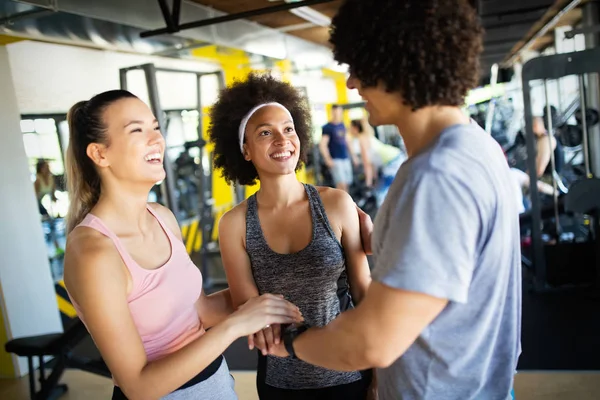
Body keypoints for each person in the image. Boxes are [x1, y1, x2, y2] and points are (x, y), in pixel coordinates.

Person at [268, 1, 522, 399]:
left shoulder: (436, 176)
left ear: (396, 63)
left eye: (359, 68)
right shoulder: (475, 145)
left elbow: (370, 342)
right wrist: (390, 239)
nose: (353, 83)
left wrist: (292, 342)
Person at [62, 89, 303, 400]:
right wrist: (235, 326)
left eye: (156, 128)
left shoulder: (162, 218)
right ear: (99, 154)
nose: (156, 140)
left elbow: (199, 312)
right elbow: (138, 386)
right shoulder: (93, 253)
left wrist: (283, 279)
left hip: (217, 386)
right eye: (137, 130)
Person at [208, 72, 374, 399]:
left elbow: (363, 292)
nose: (283, 141)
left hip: (350, 372)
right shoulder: (234, 224)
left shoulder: (337, 204)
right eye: (266, 133)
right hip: (279, 384)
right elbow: (249, 309)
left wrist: (383, 374)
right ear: (245, 149)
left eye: (288, 129)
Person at [319, 104, 357, 192]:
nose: (337, 114)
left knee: (347, 183)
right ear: (332, 112)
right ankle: (343, 204)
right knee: (341, 184)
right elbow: (323, 145)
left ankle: (347, 203)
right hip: (335, 159)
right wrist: (327, 159)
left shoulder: (342, 125)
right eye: (335, 112)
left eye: (339, 112)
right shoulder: (327, 127)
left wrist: (353, 156)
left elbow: (348, 141)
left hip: (345, 158)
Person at [34, 159, 63, 255]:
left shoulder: (50, 179)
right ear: (41, 169)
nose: (48, 168)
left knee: (51, 223)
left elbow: (53, 195)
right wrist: (43, 213)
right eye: (46, 167)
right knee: (49, 223)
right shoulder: (38, 180)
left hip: (42, 204)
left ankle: (57, 247)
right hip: (36, 204)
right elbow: (35, 199)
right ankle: (53, 247)